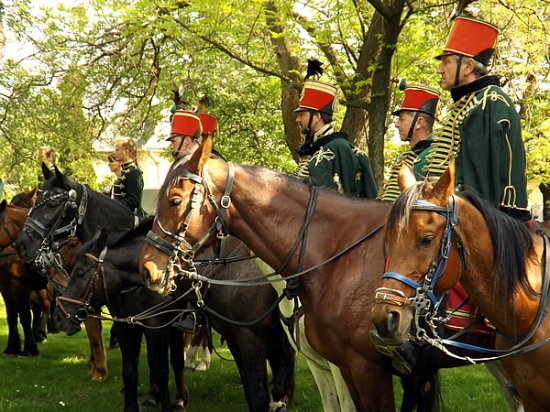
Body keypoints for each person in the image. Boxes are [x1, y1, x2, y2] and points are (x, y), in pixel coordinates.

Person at [425, 15, 530, 221]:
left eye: (446, 62)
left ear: (468, 66)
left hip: (489, 220)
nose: (439, 69)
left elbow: (480, 186)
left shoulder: (487, 103)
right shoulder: (469, 103)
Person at [292, 64, 377, 199]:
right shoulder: (312, 148)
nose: (297, 119)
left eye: (302, 114)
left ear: (317, 117)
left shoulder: (338, 147)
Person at [378, 82, 441, 202]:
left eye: (402, 119)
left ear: (419, 123)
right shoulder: (409, 156)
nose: (396, 124)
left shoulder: (436, 156)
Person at [112, 137, 145, 217]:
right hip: (119, 213)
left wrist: (115, 205)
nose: (114, 153)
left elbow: (135, 200)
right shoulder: (123, 171)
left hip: (129, 216)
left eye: (117, 150)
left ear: (126, 152)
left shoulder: (134, 172)